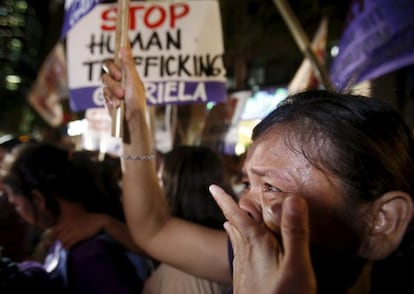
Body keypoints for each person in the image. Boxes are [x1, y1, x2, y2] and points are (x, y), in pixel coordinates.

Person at [102, 45, 414, 293]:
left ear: (381, 221)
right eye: (247, 183)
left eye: (272, 188)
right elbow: (153, 229)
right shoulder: (257, 256)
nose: (243, 207)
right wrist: (135, 118)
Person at [1, 142, 150, 293]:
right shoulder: (68, 242)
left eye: (16, 205)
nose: (18, 213)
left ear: (38, 198)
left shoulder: (88, 255)